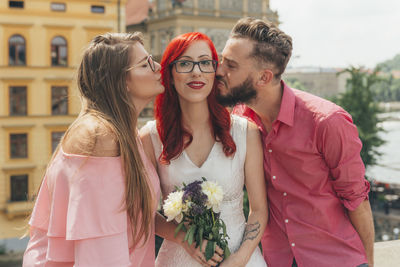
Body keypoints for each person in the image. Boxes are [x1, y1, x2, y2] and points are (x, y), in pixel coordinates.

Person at [215, 17, 375, 267]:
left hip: (336, 260)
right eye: (222, 61)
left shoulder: (327, 122)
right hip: (276, 259)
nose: (219, 71)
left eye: (231, 66)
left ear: (264, 78)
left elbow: (357, 201)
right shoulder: (240, 122)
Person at [23, 32, 164, 267]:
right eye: (145, 64)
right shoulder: (101, 137)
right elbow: (101, 256)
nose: (157, 66)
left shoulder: (123, 131)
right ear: (121, 81)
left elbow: (132, 217)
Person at [140, 32, 268, 267]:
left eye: (205, 63)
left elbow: (259, 210)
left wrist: (239, 259)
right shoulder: (150, 138)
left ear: (214, 71)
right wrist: (183, 238)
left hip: (241, 260)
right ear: (170, 73)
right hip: (176, 260)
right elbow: (144, 214)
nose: (196, 72)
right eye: (185, 63)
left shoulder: (245, 133)